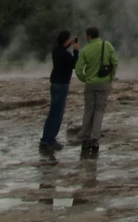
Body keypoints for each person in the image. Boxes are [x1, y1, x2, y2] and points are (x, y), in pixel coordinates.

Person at [74, 26, 118, 155]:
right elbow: (115, 62)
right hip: (104, 83)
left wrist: (85, 79)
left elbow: (78, 69)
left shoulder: (86, 49)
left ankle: (85, 139)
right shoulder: (107, 45)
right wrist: (111, 77)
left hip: (90, 84)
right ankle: (95, 139)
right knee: (99, 111)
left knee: (88, 111)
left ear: (89, 36)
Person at [40, 30, 80, 153]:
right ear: (66, 40)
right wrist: (76, 50)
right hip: (62, 84)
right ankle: (51, 141)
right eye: (69, 39)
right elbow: (74, 64)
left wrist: (69, 44)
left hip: (54, 84)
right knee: (58, 114)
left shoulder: (55, 51)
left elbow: (62, 49)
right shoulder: (66, 54)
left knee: (52, 113)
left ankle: (45, 139)